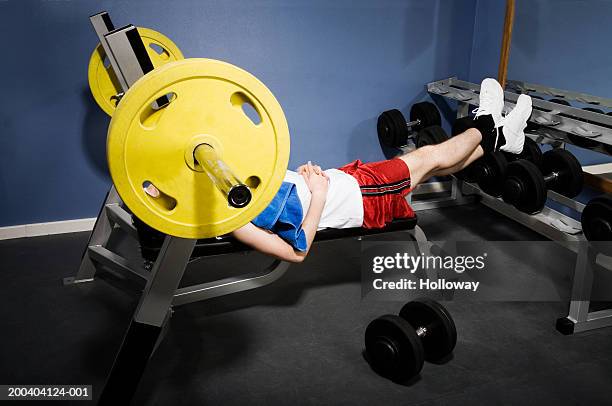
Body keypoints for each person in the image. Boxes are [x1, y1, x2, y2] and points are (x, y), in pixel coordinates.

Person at [143, 78, 532, 263]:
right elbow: (296, 253)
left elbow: (156, 191)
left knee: (432, 165)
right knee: (430, 157)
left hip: (349, 180)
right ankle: (487, 125)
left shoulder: (218, 176)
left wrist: (302, 176)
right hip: (360, 198)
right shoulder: (233, 216)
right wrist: (321, 195)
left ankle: (500, 140)